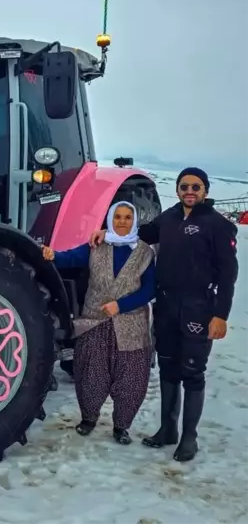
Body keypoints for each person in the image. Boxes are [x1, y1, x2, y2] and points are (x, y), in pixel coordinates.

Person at [89, 167, 239, 462]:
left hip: (198, 306)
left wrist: (220, 314)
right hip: (167, 305)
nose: (190, 191)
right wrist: (107, 233)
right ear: (179, 190)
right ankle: (168, 429)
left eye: (196, 186)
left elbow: (228, 273)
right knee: (169, 368)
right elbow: (138, 233)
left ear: (205, 190)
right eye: (184, 186)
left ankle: (189, 437)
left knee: (192, 372)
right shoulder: (168, 218)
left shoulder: (218, 225)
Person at [42, 201, 156, 444]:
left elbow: (149, 289)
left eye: (127, 217)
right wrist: (52, 255)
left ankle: (121, 426)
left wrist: (121, 305)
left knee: (131, 377)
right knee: (90, 373)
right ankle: (89, 418)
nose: (122, 222)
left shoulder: (145, 252)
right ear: (110, 220)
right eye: (118, 217)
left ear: (134, 221)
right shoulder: (97, 245)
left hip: (131, 324)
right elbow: (70, 258)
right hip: (95, 321)